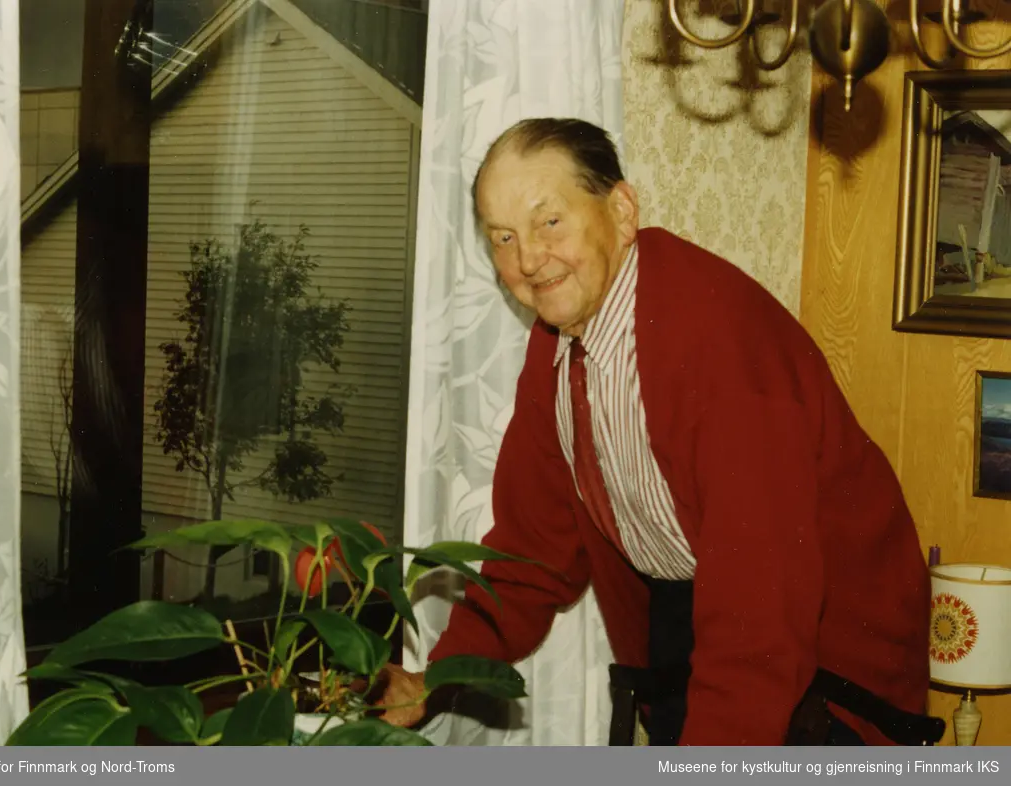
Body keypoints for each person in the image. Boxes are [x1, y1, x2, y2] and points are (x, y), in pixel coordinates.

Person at [375, 118, 938, 746]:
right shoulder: (559, 348)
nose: (528, 259)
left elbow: (761, 607)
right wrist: (438, 676)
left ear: (621, 210)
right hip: (694, 635)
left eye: (549, 222)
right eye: (502, 237)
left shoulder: (714, 339)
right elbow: (533, 552)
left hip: (830, 658)